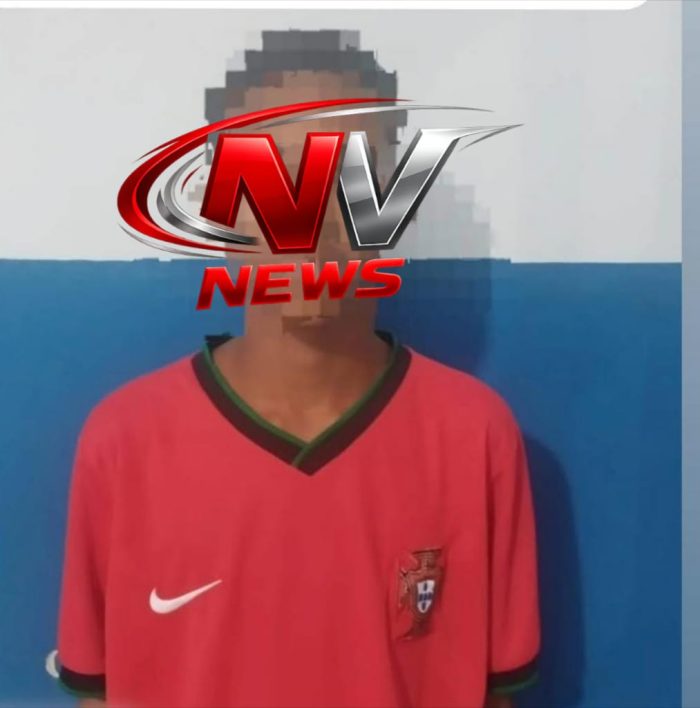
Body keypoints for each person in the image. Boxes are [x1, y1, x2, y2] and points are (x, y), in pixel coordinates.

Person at [55, 30, 540, 708]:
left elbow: (497, 691)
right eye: (272, 178)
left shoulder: (474, 434)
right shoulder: (124, 441)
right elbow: (96, 691)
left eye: (353, 177)